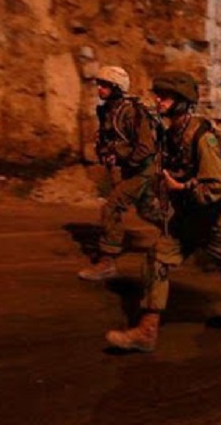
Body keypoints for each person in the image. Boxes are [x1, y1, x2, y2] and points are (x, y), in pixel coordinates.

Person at [105, 71, 221, 352]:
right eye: (158, 94)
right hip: (185, 217)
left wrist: (182, 187)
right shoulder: (171, 133)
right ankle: (147, 329)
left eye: (166, 96)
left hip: (212, 219)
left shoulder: (202, 137)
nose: (158, 100)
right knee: (156, 260)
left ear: (183, 100)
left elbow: (215, 188)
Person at [78, 66, 164, 281]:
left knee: (112, 207)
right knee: (147, 210)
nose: (100, 89)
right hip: (131, 167)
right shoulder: (108, 110)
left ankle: (107, 261)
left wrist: (126, 160)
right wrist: (106, 152)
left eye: (105, 85)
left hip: (141, 169)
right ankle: (183, 236)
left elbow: (146, 147)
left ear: (116, 88)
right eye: (99, 85)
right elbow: (108, 139)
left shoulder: (132, 112)